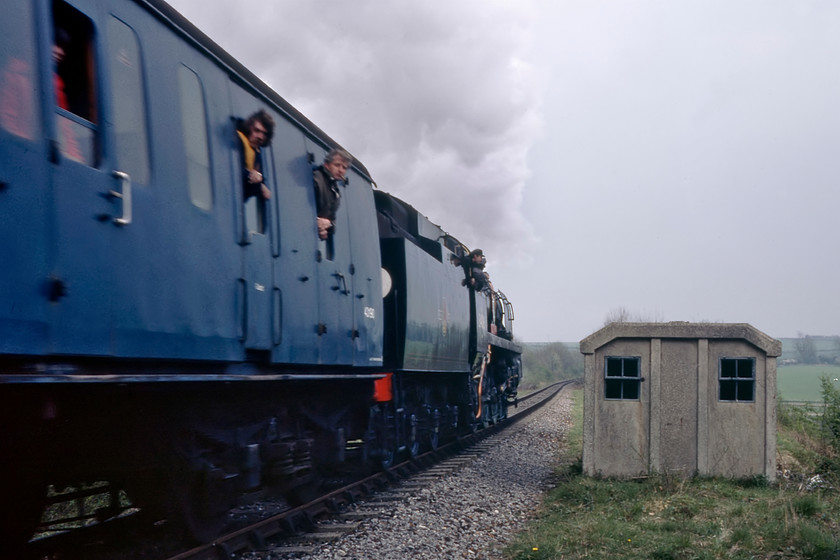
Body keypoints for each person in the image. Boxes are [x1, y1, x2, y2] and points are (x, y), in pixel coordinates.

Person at [312, 148, 352, 240]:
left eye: (344, 167)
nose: (341, 170)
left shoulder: (335, 190)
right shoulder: (317, 179)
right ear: (327, 165)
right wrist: (317, 221)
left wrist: (328, 224)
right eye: (337, 165)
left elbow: (332, 221)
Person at [236, 109, 275, 201]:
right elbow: (235, 171)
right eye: (257, 130)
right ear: (249, 128)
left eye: (264, 134)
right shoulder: (237, 140)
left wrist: (259, 181)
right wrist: (259, 184)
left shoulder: (257, 153)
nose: (260, 137)